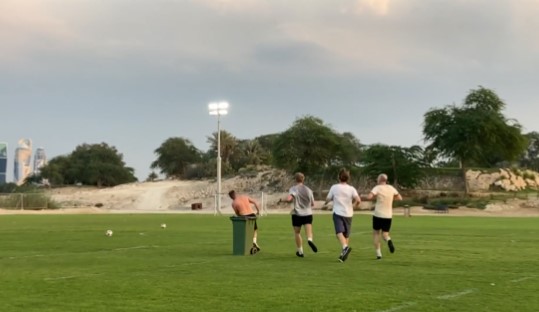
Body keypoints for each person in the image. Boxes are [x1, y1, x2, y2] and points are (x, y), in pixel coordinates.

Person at [362, 173, 403, 260]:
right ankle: (388, 240)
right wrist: (391, 198)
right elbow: (400, 198)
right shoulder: (391, 188)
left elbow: (369, 197)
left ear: (380, 180)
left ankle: (379, 254)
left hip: (378, 214)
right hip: (388, 215)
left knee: (376, 233)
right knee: (385, 234)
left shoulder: (377, 187)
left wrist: (369, 196)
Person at [324, 168, 361, 263]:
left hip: (338, 213)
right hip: (349, 213)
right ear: (348, 178)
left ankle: (345, 248)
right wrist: (353, 206)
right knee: (346, 235)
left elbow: (328, 198)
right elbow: (358, 200)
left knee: (339, 232)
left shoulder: (334, 187)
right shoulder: (352, 189)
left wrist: (325, 203)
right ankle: (343, 255)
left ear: (338, 177)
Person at [281, 172, 318, 258]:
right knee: (309, 230)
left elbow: (289, 198)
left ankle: (300, 251)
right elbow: (313, 204)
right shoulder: (309, 190)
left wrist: (284, 200)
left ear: (295, 179)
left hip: (297, 214)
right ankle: (310, 240)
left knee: (297, 232)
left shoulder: (294, 189)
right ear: (303, 179)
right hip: (308, 213)